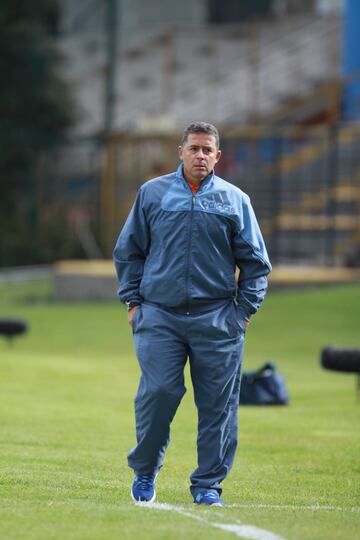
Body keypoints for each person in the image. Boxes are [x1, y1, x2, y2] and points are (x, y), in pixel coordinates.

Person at [113, 121, 271, 507]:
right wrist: (134, 302)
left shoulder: (236, 201)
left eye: (208, 150)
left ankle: (207, 486)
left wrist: (242, 314)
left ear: (218, 156)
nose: (200, 156)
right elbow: (129, 251)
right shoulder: (152, 194)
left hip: (217, 319)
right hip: (160, 317)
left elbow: (256, 264)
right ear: (180, 152)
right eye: (194, 148)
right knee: (159, 394)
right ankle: (145, 471)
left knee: (218, 406)